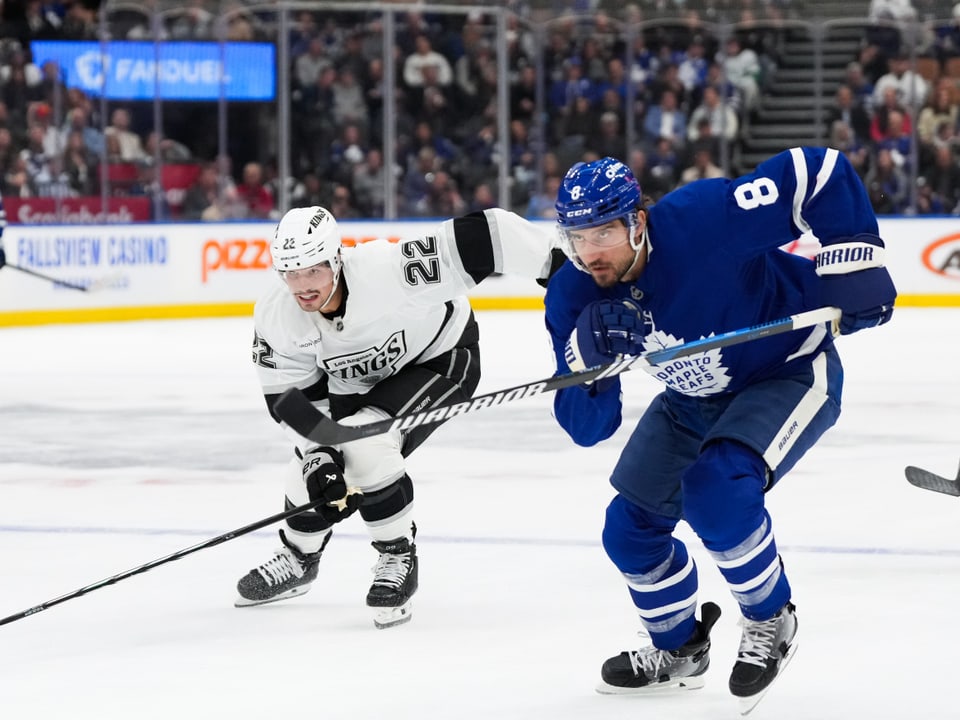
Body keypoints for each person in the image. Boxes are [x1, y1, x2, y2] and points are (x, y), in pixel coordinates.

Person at [544, 149, 896, 710]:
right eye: (576, 237)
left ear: (638, 220)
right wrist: (585, 362)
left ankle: (770, 619)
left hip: (787, 371)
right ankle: (679, 648)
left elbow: (819, 170)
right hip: (691, 397)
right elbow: (589, 429)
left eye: (603, 233)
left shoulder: (705, 218)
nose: (589, 254)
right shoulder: (574, 294)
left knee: (717, 489)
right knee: (628, 530)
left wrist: (851, 262)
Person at [237, 205, 559, 629]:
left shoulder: (389, 271)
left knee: (365, 444)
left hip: (441, 358)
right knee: (308, 469)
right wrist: (320, 455)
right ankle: (300, 558)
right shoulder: (277, 314)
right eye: (290, 273)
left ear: (336, 257)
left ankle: (397, 555)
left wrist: (562, 268)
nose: (302, 286)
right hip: (362, 386)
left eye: (312, 269)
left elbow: (490, 234)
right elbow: (290, 401)